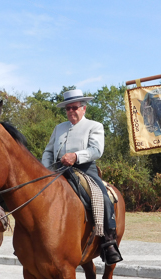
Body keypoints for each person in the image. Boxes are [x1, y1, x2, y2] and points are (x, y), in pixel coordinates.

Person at [41, 89, 122, 265]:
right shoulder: (59, 128)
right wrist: (46, 170)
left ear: (83, 108)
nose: (71, 111)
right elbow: (48, 151)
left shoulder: (95, 126)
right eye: (67, 108)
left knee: (102, 196)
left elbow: (96, 150)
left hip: (84, 169)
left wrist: (75, 156)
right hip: (57, 171)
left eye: (74, 107)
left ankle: (109, 242)